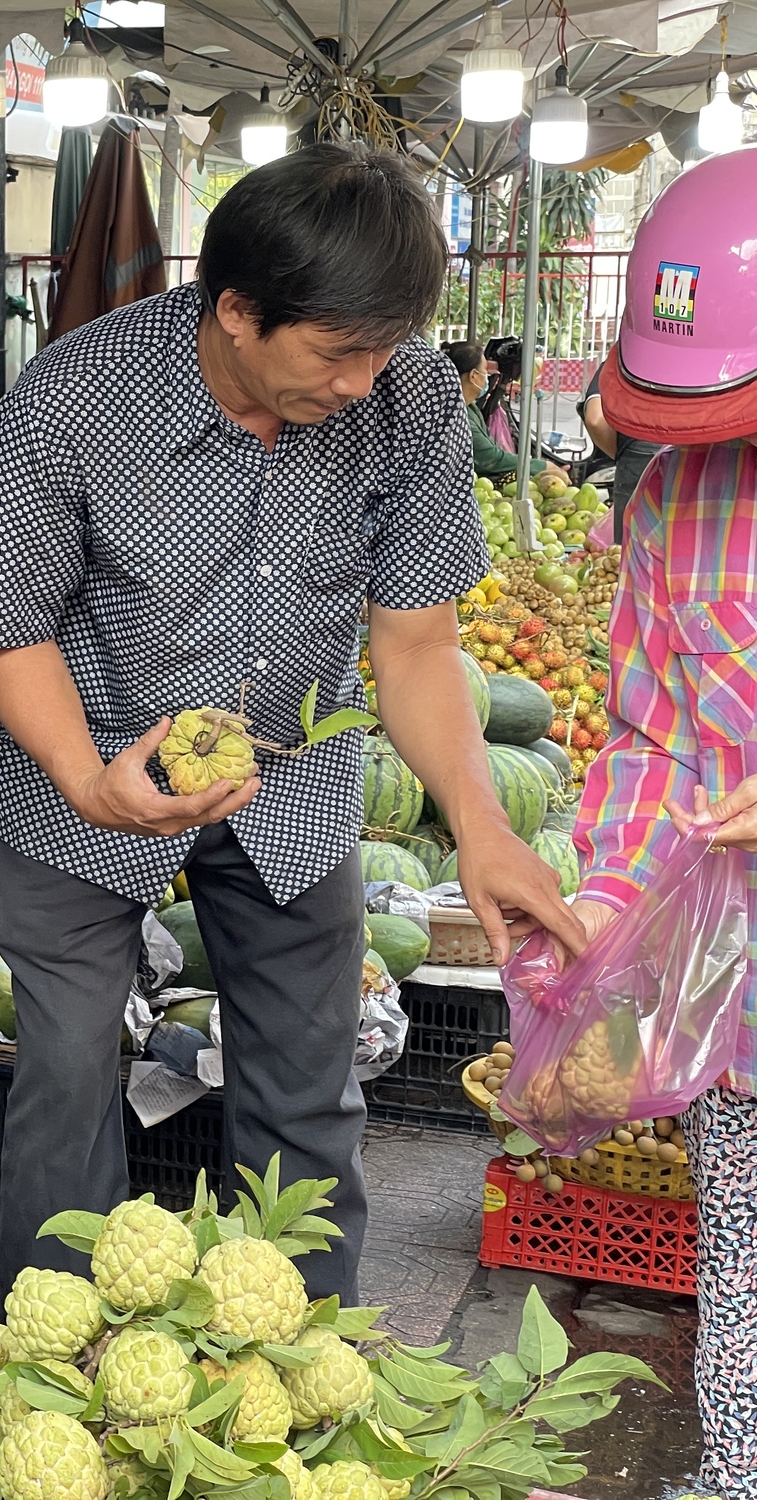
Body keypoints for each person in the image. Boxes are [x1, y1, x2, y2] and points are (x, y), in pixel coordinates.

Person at [0, 143, 585, 1317]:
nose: (360, 381)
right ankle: (45, 1371)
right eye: (338, 351)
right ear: (236, 311)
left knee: (306, 1083)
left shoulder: (404, 402)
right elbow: (10, 627)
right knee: (67, 1076)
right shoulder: (74, 397)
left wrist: (482, 827)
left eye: (382, 349)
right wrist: (90, 781)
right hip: (83, 757)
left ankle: (298, 1362)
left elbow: (412, 644)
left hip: (290, 780)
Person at [576, 149, 757, 1495]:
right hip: (735, 989)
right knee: (742, 1253)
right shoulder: (670, 505)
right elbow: (649, 737)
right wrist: (602, 903)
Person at [442, 341, 567, 487]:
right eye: (485, 371)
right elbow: (491, 459)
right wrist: (542, 467)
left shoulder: (471, 408)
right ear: (473, 376)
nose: (488, 376)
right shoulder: (456, 416)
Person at [578, 360, 662, 539]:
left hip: (638, 454)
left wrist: (623, 454)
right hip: (702, 463)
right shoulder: (716, 363)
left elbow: (595, 419)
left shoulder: (623, 361)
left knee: (631, 555)